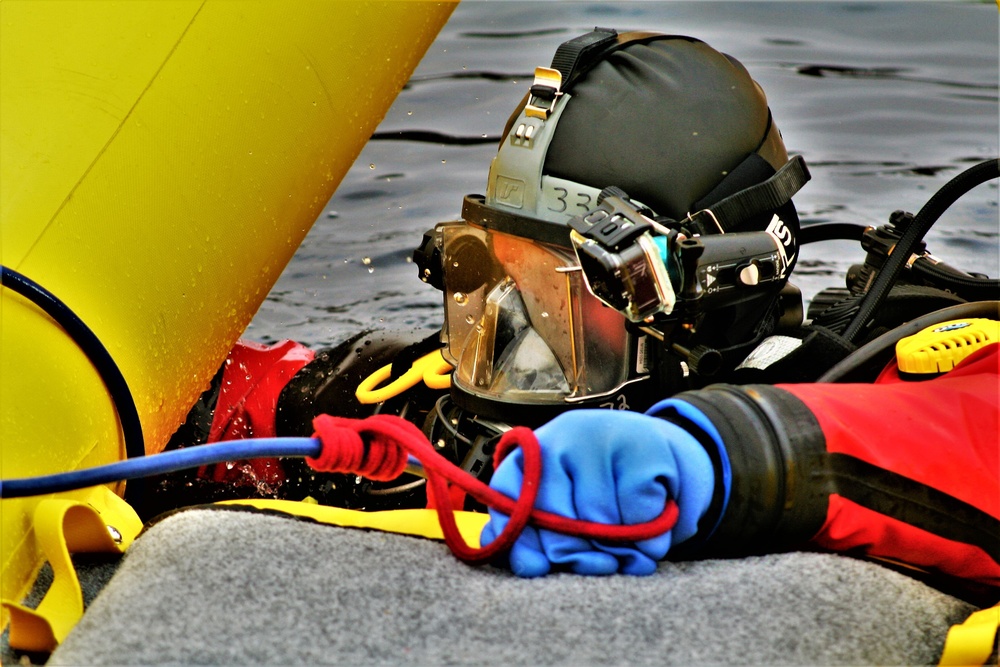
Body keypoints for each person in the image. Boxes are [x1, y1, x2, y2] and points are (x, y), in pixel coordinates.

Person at [154, 29, 998, 603]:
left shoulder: (866, 389)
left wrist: (713, 458)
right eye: (489, 277)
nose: (510, 330)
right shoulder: (430, 412)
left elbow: (976, 436)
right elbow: (233, 400)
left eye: (552, 294)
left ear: (688, 300)